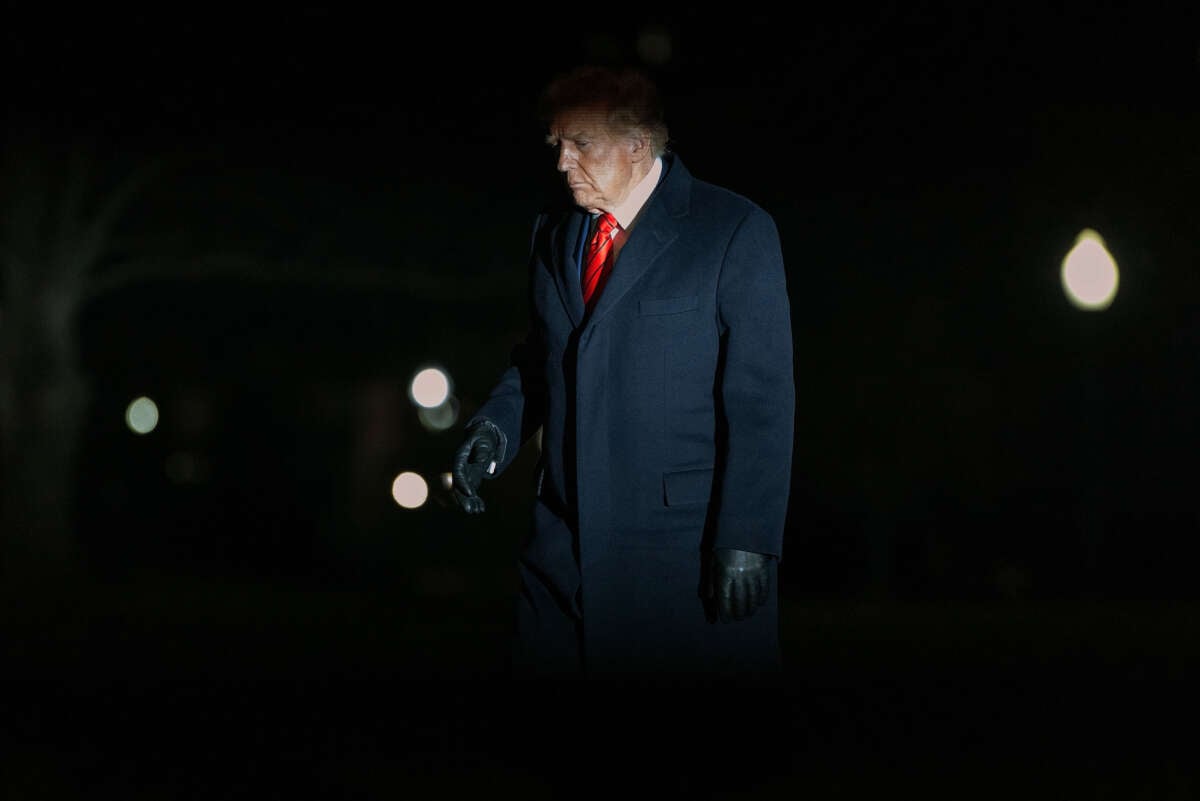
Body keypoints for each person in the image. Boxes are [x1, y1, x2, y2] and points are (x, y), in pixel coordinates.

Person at [451, 64, 795, 687]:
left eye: (581, 143)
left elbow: (761, 400)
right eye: (556, 144)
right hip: (560, 549)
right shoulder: (552, 232)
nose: (562, 162)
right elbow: (543, 356)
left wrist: (746, 536)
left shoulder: (734, 230)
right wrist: (497, 427)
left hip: (677, 550)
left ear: (639, 143)